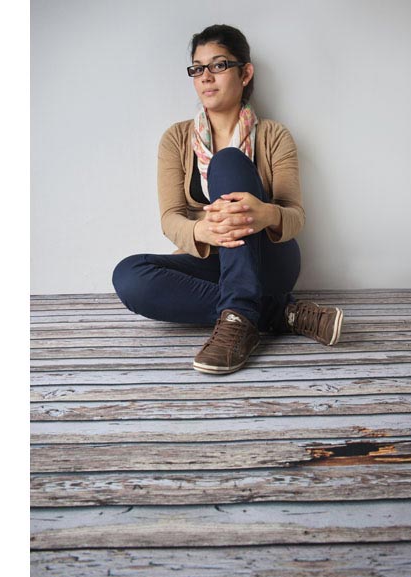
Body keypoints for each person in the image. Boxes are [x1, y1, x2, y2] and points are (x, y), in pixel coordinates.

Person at [112, 24, 343, 375]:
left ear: (245, 73)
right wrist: (203, 232)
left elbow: (296, 215)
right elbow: (170, 218)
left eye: (218, 65)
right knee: (130, 277)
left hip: (269, 260)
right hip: (213, 264)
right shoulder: (175, 139)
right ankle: (279, 313)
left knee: (228, 162)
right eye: (197, 68)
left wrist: (266, 214)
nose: (206, 76)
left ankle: (239, 316)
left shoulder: (274, 135)